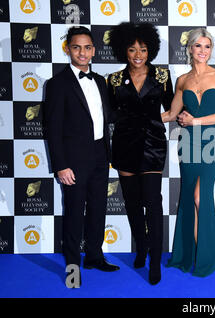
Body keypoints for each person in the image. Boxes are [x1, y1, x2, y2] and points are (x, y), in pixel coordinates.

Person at [44, 26, 119, 288]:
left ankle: (95, 257)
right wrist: (61, 165)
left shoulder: (100, 81)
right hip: (73, 161)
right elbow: (52, 128)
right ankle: (73, 267)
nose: (82, 52)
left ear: (94, 50)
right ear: (68, 49)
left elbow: (107, 117)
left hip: (100, 155)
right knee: (75, 213)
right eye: (77, 47)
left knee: (98, 209)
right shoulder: (56, 84)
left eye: (87, 47)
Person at [107, 22, 174, 285]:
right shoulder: (112, 79)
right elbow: (109, 113)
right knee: (132, 203)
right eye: (133, 49)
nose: (138, 54)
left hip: (152, 144)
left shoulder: (162, 76)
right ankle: (142, 247)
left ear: (150, 50)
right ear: (124, 50)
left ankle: (155, 261)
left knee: (153, 203)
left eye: (143, 49)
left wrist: (159, 119)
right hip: (124, 144)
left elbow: (171, 109)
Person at [164, 28, 215, 277]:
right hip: (189, 144)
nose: (203, 51)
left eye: (207, 46)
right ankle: (188, 255)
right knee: (189, 199)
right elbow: (171, 114)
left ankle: (206, 257)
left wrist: (196, 121)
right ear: (190, 49)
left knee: (199, 196)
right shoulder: (182, 80)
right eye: (198, 46)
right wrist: (137, 115)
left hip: (213, 142)